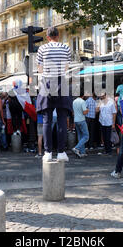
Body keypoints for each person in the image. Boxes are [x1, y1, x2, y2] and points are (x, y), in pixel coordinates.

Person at [36, 26, 72, 162]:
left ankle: (48, 152)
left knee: (47, 120)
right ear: (58, 35)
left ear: (47, 37)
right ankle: (62, 152)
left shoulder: (42, 49)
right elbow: (66, 67)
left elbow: (39, 68)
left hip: (47, 82)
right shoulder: (66, 48)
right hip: (61, 81)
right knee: (62, 119)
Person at [72, 94, 89, 158]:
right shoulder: (82, 101)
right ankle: (77, 148)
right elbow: (84, 112)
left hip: (76, 120)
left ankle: (82, 152)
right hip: (82, 120)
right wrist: (87, 110)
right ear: (82, 95)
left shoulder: (74, 101)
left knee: (80, 136)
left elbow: (73, 112)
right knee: (86, 136)